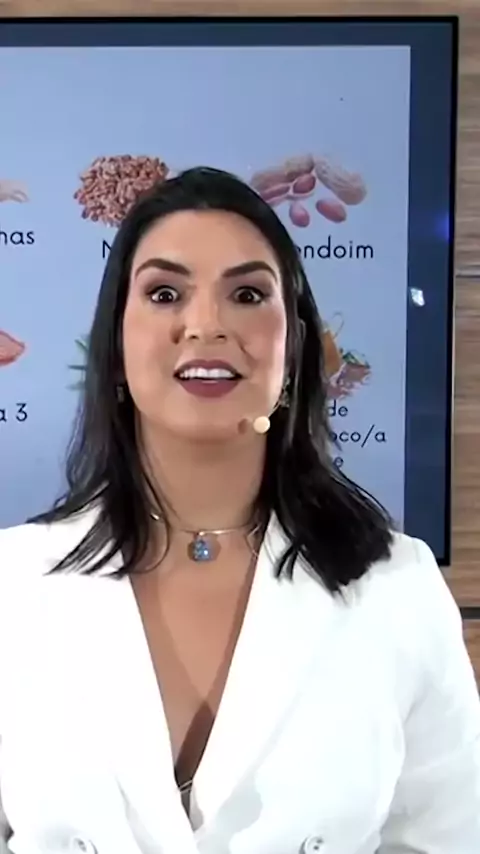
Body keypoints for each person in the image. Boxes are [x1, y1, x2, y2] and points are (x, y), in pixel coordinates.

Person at [0, 167, 479, 854]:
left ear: (294, 349)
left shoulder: (397, 587)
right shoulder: (12, 583)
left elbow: (446, 839)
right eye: (165, 293)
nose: (206, 325)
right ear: (115, 347)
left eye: (248, 294)